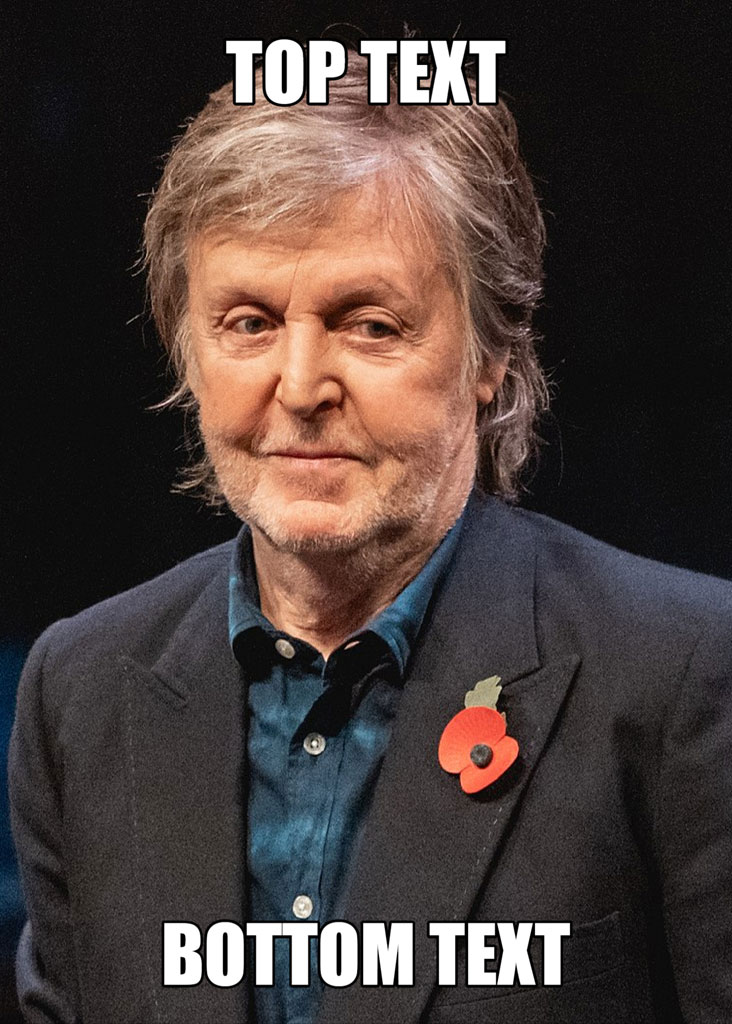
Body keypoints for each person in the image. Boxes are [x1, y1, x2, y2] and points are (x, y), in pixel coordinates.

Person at [9, 50, 732, 1024]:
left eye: (371, 325)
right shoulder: (78, 690)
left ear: (491, 355)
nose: (301, 386)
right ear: (185, 344)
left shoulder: (686, 673)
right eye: (250, 322)